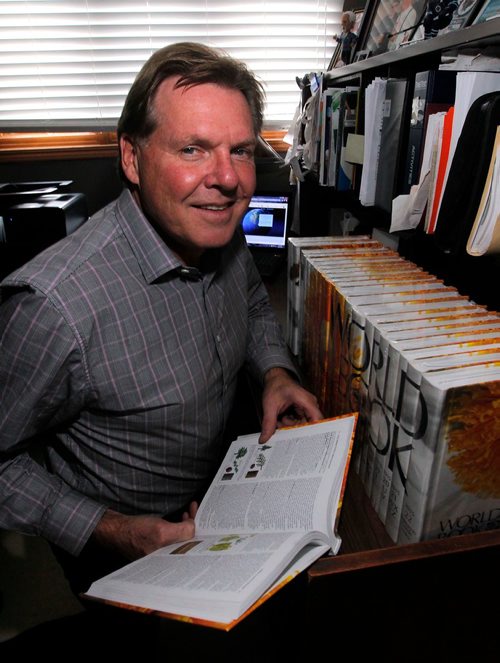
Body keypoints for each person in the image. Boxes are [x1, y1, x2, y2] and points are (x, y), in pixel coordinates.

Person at [0, 40, 323, 612]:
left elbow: (249, 298)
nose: (227, 179)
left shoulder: (218, 226)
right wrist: (118, 531)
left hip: (224, 507)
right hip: (122, 563)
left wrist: (273, 370)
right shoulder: (53, 308)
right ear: (132, 158)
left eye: (241, 151)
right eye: (193, 149)